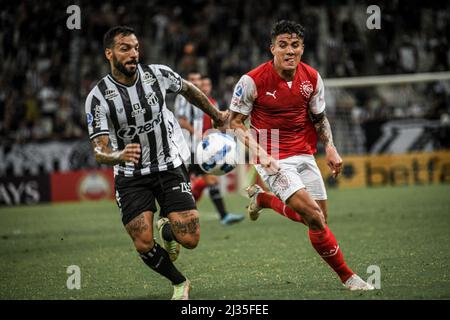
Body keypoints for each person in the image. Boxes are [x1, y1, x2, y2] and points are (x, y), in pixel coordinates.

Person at [84, 26, 228, 300]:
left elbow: (188, 90)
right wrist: (119, 155)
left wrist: (217, 114)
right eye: (125, 48)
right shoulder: (98, 98)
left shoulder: (157, 75)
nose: (133, 54)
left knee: (191, 239)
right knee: (143, 240)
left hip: (169, 164)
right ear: (109, 53)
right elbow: (100, 151)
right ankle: (179, 283)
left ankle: (169, 231)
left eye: (136, 47)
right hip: (130, 175)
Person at [229, 20, 374, 291]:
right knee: (315, 218)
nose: (289, 51)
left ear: (302, 48)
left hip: (304, 153)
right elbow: (235, 123)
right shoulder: (251, 81)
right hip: (271, 157)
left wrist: (330, 146)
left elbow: (319, 118)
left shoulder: (312, 78)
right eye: (282, 45)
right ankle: (349, 278)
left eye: (295, 45)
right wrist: (261, 153)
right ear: (272, 48)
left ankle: (262, 199)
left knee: (318, 219)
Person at [174, 72, 244, 225]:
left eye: (198, 80)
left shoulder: (203, 100)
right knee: (181, 184)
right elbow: (182, 121)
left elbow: (214, 123)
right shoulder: (182, 98)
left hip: (200, 149)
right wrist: (199, 134)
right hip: (186, 148)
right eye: (192, 80)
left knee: (211, 179)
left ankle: (224, 216)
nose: (196, 83)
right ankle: (173, 215)